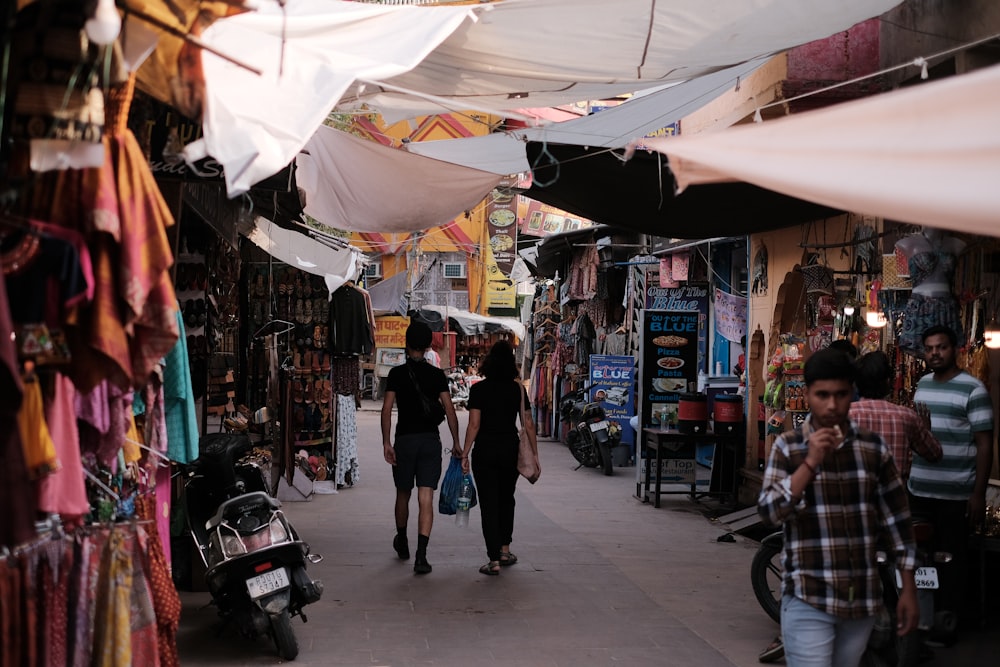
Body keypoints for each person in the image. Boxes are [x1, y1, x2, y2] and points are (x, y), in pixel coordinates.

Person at [758, 348, 919, 667]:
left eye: (841, 394)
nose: (832, 405)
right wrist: (810, 463)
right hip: (808, 595)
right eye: (822, 395)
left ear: (852, 393)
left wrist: (909, 589)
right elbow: (769, 512)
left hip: (860, 597)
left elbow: (898, 522)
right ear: (807, 394)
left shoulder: (873, 449)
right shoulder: (788, 448)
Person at [908, 325, 994, 630]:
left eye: (941, 347)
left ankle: (946, 621)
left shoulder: (973, 389)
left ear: (954, 349)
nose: (934, 353)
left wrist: (978, 493)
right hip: (919, 489)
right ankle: (920, 620)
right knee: (918, 560)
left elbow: (984, 443)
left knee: (950, 560)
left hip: (955, 493)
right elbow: (920, 435)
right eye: (929, 348)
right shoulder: (922, 384)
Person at [381, 321, 461, 575]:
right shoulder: (437, 375)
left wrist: (386, 442)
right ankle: (421, 556)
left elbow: (386, 410)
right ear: (428, 346)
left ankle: (402, 540)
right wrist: (457, 442)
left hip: (404, 440)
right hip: (429, 441)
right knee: (425, 496)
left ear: (406, 344)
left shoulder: (396, 374)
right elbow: (450, 411)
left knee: (403, 493)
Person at [460, 340, 538, 576]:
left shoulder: (478, 390)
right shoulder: (517, 390)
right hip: (509, 450)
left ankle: (493, 559)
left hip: (484, 451)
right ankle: (505, 549)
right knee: (507, 499)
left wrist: (464, 452)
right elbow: (529, 424)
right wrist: (534, 454)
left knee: (489, 504)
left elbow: (474, 424)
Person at [850, 350, 942, 481]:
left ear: (856, 384)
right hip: (894, 497)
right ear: (888, 381)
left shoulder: (845, 416)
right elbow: (934, 454)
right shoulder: (906, 417)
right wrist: (926, 429)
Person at [895, 227, 966, 354]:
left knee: (945, 348)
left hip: (945, 307)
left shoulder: (955, 244)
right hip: (921, 304)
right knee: (927, 348)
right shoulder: (908, 243)